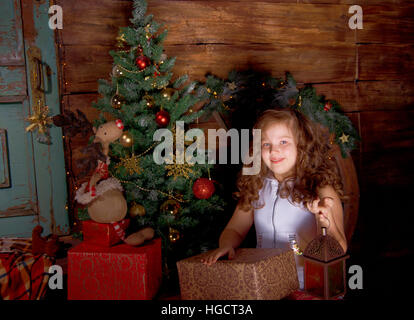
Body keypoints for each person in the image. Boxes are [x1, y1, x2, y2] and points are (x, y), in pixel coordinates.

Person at [201, 108, 347, 289]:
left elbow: (339, 248)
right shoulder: (256, 186)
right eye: (266, 144)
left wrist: (326, 220)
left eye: (283, 141)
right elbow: (235, 229)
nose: (274, 150)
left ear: (302, 145)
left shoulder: (320, 188)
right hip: (264, 282)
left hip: (308, 284)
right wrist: (226, 245)